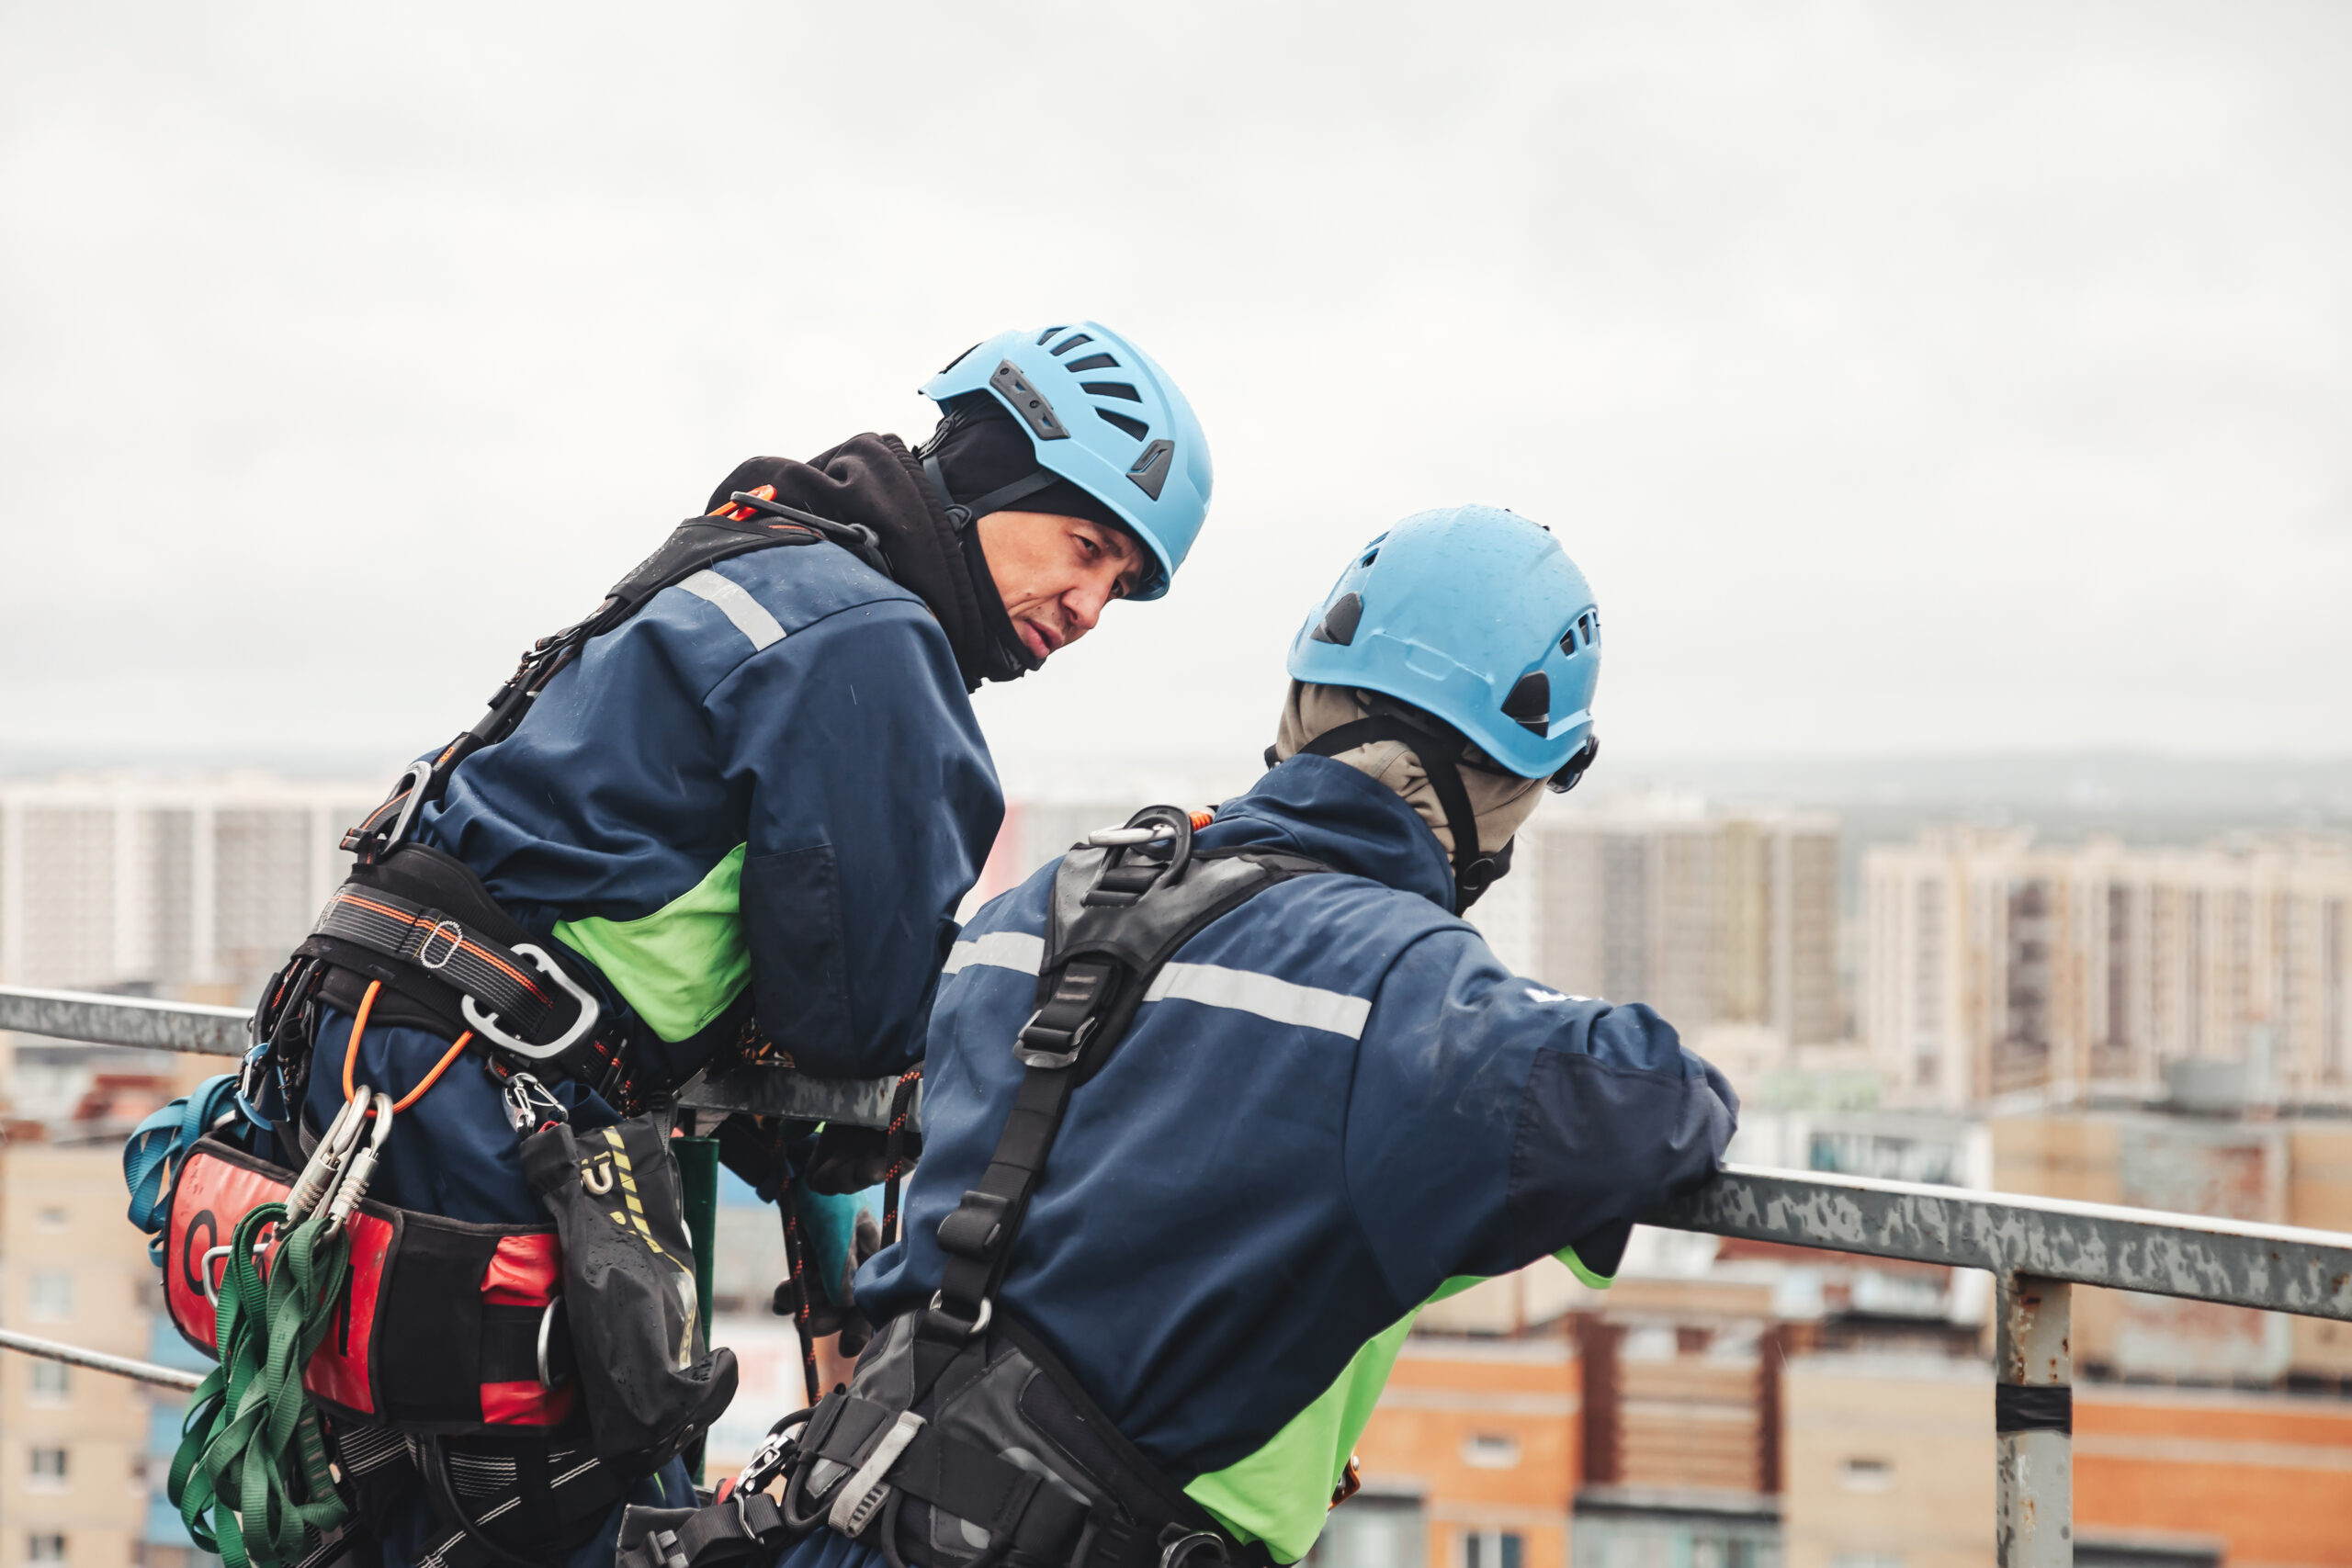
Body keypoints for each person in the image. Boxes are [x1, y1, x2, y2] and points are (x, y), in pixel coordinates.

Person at [215, 321, 1216, 1568]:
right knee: (548, 1511)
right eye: (1085, 547)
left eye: (1121, 583)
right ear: (994, 480)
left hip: (367, 1037)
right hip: (483, 1090)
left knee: (383, 1493)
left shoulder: (750, 552)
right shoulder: (876, 644)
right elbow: (858, 1012)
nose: (1089, 605)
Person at [637, 504, 1737, 1568]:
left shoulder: (1044, 906)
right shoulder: (1406, 991)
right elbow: (1650, 1102)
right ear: (1509, 783)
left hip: (851, 1505)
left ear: (1308, 698)